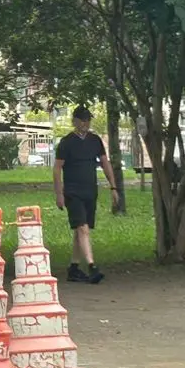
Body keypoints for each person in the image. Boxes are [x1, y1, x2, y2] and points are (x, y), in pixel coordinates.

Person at [54, 104, 121, 284]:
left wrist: (113, 187)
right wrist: (59, 193)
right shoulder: (66, 142)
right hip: (72, 191)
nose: (85, 123)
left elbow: (105, 164)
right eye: (81, 120)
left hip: (90, 190)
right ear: (74, 121)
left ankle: (74, 268)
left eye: (87, 120)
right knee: (82, 228)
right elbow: (57, 169)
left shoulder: (95, 140)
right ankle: (92, 266)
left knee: (81, 230)